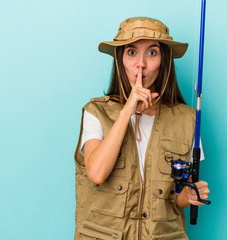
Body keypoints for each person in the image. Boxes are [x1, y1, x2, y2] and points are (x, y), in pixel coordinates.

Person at [74, 17, 210, 240]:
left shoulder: (188, 120)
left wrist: (188, 196)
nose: (141, 64)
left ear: (164, 60)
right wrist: (127, 111)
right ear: (120, 60)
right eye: (131, 52)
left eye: (152, 53)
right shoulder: (95, 112)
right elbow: (96, 173)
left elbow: (173, 198)